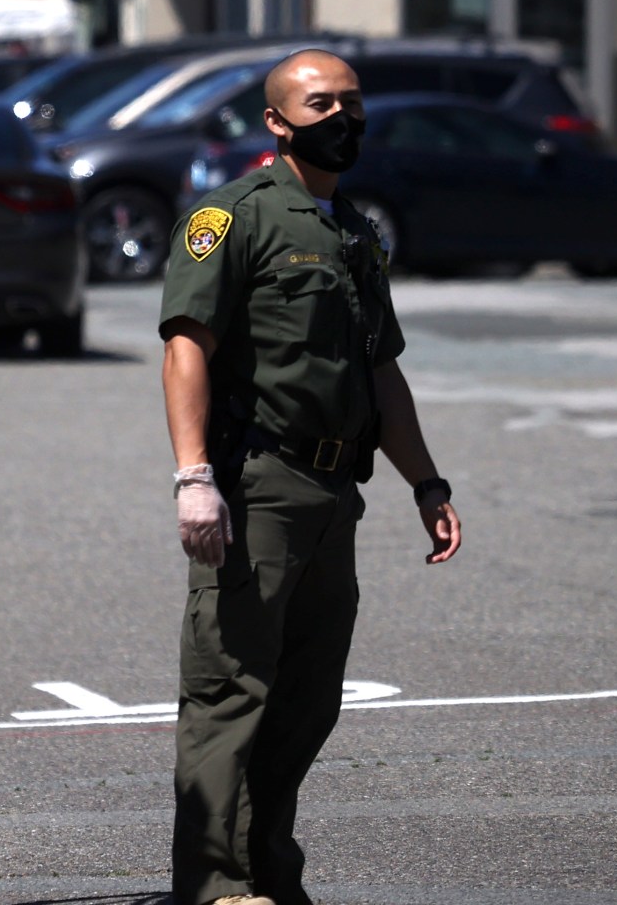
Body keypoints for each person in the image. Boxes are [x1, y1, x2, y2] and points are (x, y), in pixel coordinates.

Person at [161, 48, 464, 905]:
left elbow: (381, 373)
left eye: (352, 104)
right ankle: (215, 888)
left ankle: (266, 871)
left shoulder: (352, 230)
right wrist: (193, 477)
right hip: (258, 486)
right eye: (320, 104)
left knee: (306, 702)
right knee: (230, 694)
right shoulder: (232, 218)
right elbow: (187, 348)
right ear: (277, 121)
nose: (341, 119)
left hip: (337, 495)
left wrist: (427, 485)